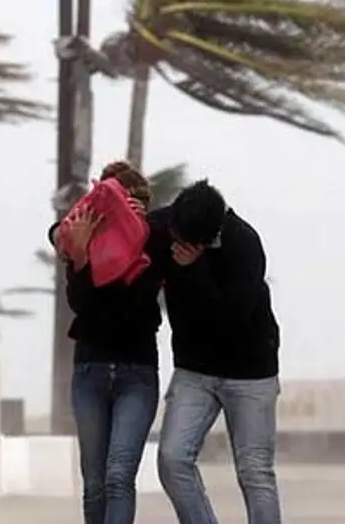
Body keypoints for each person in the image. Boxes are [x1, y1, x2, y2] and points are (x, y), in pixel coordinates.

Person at [147, 180, 282, 524]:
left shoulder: (245, 244)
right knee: (173, 459)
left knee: (255, 472)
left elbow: (230, 319)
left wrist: (196, 269)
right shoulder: (169, 225)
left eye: (183, 241)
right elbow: (125, 233)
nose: (173, 242)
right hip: (195, 369)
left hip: (251, 371)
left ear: (205, 239)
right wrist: (61, 232)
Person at [49, 161, 164, 524]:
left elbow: (136, 305)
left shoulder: (153, 246)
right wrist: (80, 255)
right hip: (90, 370)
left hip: (137, 371)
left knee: (118, 476)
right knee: (94, 482)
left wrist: (136, 238)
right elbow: (83, 306)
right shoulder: (85, 243)